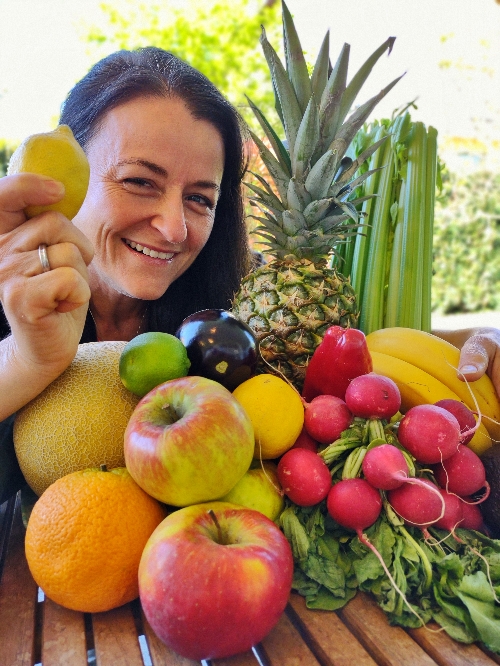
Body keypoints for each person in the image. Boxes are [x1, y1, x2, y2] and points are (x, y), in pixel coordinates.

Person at [0, 47, 499, 503]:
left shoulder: (239, 314)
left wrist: (485, 340)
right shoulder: (9, 283)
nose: (174, 228)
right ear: (69, 177)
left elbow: (369, 348)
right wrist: (25, 359)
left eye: (200, 198)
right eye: (139, 181)